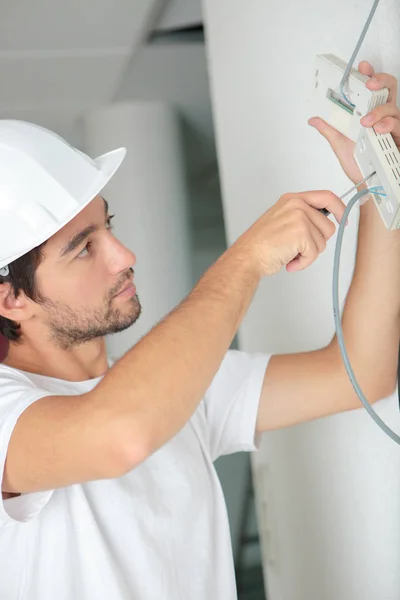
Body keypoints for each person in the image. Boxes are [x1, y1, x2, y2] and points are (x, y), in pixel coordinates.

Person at [0, 61, 399, 600]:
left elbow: (360, 374)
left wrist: (381, 186)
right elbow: (120, 434)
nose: (123, 256)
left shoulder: (177, 389)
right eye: (84, 248)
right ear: (11, 298)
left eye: (107, 226)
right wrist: (245, 260)